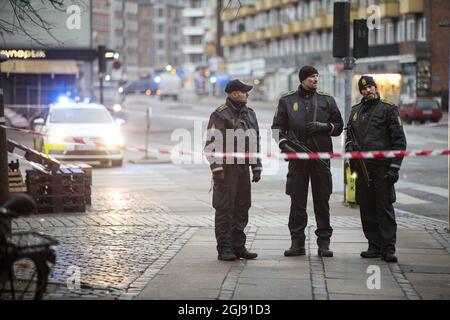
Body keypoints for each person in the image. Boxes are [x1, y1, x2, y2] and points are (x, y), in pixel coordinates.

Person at [272, 66, 343, 258]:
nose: (316, 80)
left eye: (317, 76)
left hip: (321, 158)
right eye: (312, 77)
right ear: (302, 79)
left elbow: (339, 126)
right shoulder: (287, 100)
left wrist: (324, 127)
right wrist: (285, 145)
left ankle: (324, 243)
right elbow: (277, 128)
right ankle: (297, 243)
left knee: (322, 202)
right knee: (297, 202)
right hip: (297, 160)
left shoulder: (327, 100)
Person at [346, 75, 407, 263]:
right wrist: (349, 150)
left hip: (383, 169)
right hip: (362, 169)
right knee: (366, 208)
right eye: (364, 89)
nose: (368, 91)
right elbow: (349, 137)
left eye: (370, 87)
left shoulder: (389, 109)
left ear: (375, 87)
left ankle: (388, 249)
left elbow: (399, 141)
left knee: (384, 208)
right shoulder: (355, 111)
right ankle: (373, 245)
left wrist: (394, 168)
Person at [205, 79, 263, 261]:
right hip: (226, 170)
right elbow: (211, 144)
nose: (247, 94)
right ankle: (224, 248)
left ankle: (239, 246)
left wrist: (256, 166)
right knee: (224, 209)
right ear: (234, 94)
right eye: (244, 91)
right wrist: (217, 169)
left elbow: (254, 142)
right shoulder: (219, 115)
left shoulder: (250, 114)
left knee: (242, 208)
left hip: (243, 170)